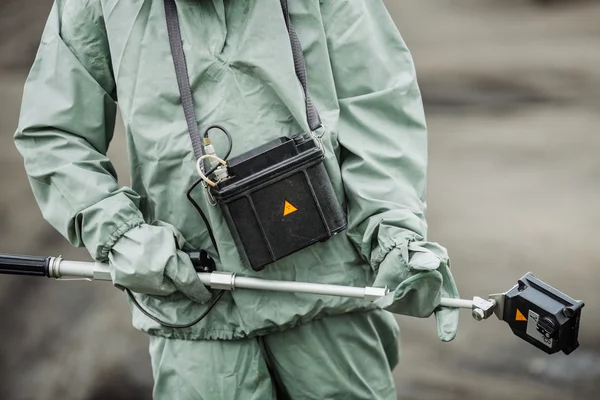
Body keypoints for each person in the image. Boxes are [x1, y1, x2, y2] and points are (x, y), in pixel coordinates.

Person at [14, 0, 460, 398]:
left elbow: (378, 100)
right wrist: (118, 231)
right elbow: (54, 132)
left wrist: (394, 230)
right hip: (195, 307)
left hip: (330, 295)